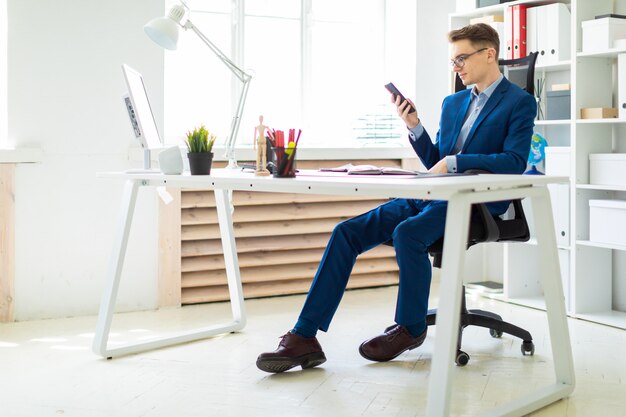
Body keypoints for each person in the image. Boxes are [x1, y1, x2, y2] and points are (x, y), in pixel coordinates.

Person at [256, 23, 536, 373]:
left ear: (489, 54)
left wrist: (456, 162)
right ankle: (304, 337)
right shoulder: (453, 103)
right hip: (432, 195)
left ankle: (410, 327)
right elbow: (437, 159)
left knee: (408, 234)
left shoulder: (520, 102)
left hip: (474, 204)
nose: (457, 67)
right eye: (453, 61)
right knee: (347, 232)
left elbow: (514, 162)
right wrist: (415, 127)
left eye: (461, 58)